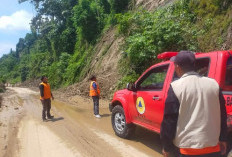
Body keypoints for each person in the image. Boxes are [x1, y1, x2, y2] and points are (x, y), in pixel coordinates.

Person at [160, 51, 227, 157]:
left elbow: (169, 120)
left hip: (186, 150)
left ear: (177, 66)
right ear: (194, 65)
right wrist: (223, 138)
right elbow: (222, 115)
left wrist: (167, 147)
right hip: (213, 148)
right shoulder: (214, 84)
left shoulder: (176, 87)